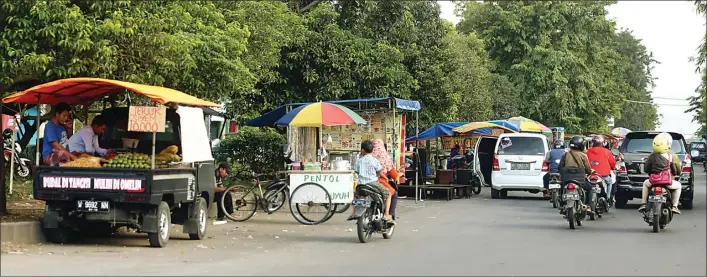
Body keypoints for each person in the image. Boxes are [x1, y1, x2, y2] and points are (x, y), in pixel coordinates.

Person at [348, 140, 394, 224]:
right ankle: (386, 214)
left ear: (362, 150)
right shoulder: (375, 160)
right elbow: (380, 172)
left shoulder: (359, 161)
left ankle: (354, 213)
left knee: (355, 195)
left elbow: (357, 172)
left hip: (361, 185)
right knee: (388, 194)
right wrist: (385, 178)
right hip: (373, 184)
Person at [638, 133, 682, 214]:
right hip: (667, 182)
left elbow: (646, 169)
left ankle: (643, 204)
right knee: (678, 186)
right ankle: (675, 206)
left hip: (654, 181)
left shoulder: (651, 156)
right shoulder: (672, 156)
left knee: (645, 184)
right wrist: (675, 173)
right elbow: (676, 171)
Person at [558, 136, 594, 212]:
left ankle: (561, 203)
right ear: (581, 146)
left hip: (566, 180)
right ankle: (588, 206)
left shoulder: (565, 154)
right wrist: (589, 172)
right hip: (580, 181)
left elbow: (560, 167)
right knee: (590, 188)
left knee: (562, 187)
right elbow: (588, 169)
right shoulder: (583, 155)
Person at [586, 135, 617, 201]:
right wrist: (613, 168)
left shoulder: (588, 151)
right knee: (610, 182)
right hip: (603, 175)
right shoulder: (607, 151)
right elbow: (612, 163)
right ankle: (608, 197)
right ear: (603, 143)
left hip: (590, 174)